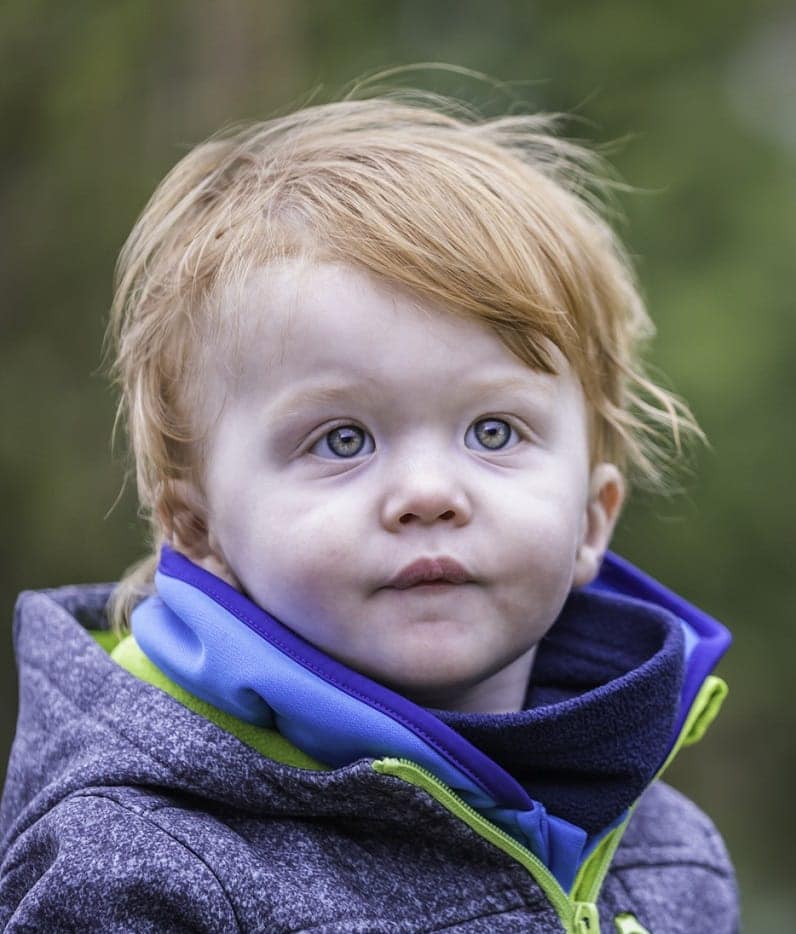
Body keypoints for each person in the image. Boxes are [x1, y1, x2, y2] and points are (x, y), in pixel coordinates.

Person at [0, 87, 738, 933]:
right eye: (342, 440)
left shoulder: (670, 855)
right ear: (198, 530)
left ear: (593, 519)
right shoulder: (147, 868)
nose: (428, 493)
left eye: (493, 429)